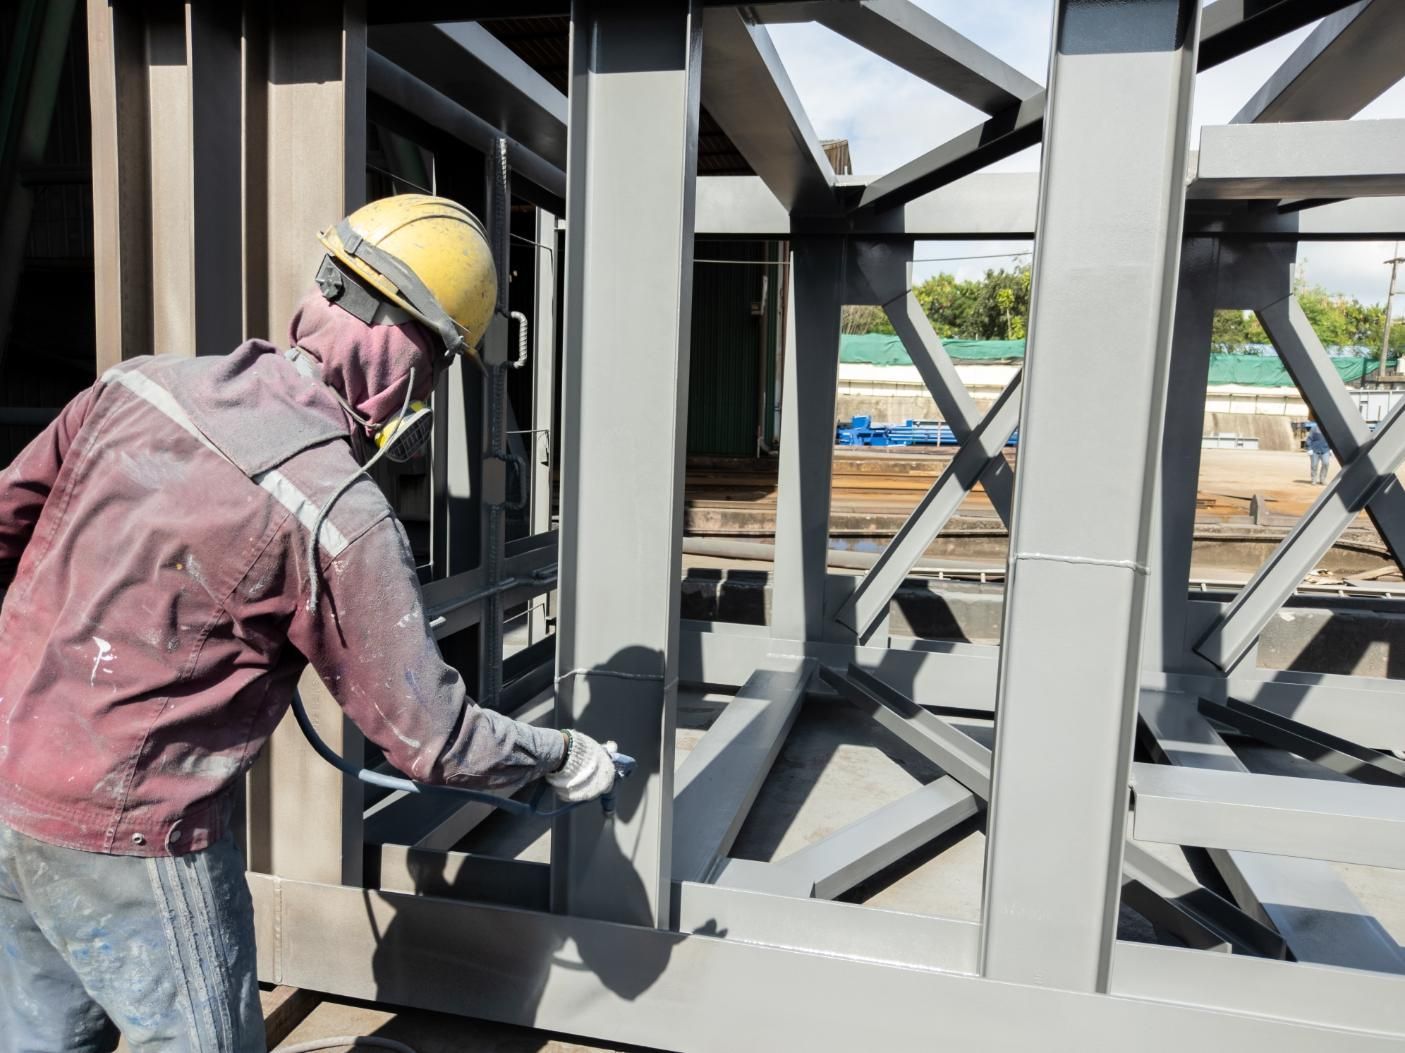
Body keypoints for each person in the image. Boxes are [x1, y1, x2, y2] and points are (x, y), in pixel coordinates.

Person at [0, 195, 620, 1052]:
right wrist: (556, 754)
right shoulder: (336, 508)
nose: (428, 395)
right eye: (439, 366)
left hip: (11, 791)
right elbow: (430, 739)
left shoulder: (134, 384)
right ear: (405, 352)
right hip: (137, 834)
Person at [1305, 420, 1332, 485]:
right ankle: (1314, 479)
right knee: (1314, 465)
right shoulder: (1314, 428)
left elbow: (1332, 439)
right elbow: (1309, 438)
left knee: (1326, 463)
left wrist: (1331, 449)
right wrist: (1309, 448)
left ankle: (1322, 479)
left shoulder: (1329, 429)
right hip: (1314, 450)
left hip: (1325, 450)